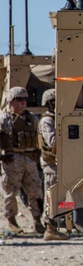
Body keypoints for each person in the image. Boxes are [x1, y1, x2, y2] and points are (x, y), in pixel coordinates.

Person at [0, 87, 45, 235]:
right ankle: (12, 222)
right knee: (10, 193)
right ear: (11, 101)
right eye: (20, 99)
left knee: (36, 192)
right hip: (11, 159)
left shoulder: (32, 118)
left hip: (30, 159)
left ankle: (37, 221)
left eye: (25, 99)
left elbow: (39, 139)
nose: (23, 102)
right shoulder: (3, 119)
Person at [37, 89, 69, 241]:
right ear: (50, 103)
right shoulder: (47, 121)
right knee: (51, 196)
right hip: (51, 164)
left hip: (58, 164)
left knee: (60, 197)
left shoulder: (57, 119)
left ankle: (58, 226)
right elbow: (52, 142)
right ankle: (50, 229)